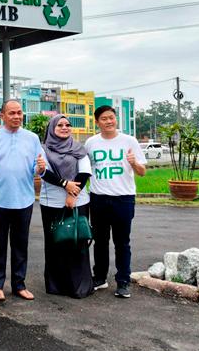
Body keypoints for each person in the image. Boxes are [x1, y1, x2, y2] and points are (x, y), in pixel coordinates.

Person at [0, 99, 46, 301]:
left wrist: (41, 168)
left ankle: (19, 284)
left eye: (19, 113)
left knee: (20, 244)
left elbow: (39, 168)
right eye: (12, 113)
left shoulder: (32, 138)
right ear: (2, 116)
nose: (17, 116)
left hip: (24, 199)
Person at [85, 105, 146, 298]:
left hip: (123, 199)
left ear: (116, 119)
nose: (109, 121)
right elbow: (84, 170)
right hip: (98, 198)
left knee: (122, 242)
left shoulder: (129, 141)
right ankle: (100, 278)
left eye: (111, 118)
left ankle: (123, 282)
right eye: (104, 119)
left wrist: (133, 162)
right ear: (97, 122)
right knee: (100, 241)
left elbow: (142, 172)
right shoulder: (91, 143)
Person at [38, 114, 93, 298]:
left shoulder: (78, 148)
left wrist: (72, 194)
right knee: (55, 244)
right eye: (59, 125)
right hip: (51, 203)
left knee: (77, 242)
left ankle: (80, 286)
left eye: (67, 125)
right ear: (52, 128)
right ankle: (57, 285)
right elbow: (44, 173)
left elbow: (84, 173)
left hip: (78, 202)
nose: (64, 127)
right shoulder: (43, 149)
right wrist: (65, 185)